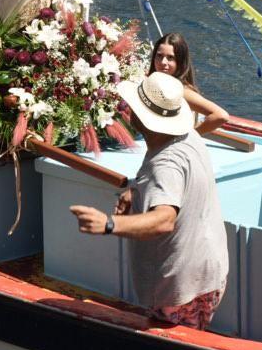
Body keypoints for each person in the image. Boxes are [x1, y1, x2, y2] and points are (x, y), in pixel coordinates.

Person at [69, 72, 227, 329]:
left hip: (179, 288)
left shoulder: (164, 163)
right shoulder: (190, 137)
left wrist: (109, 224)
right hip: (209, 273)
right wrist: (137, 190)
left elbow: (164, 219)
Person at [149, 32, 229, 136]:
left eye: (170, 58)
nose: (163, 62)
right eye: (159, 56)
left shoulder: (182, 92)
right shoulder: (156, 82)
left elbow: (221, 116)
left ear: (180, 61)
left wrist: (191, 137)